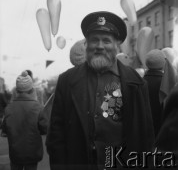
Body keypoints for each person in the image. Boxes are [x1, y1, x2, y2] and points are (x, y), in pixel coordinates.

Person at [46, 11, 155, 170]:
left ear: (117, 45)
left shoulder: (136, 83)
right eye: (94, 40)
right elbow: (56, 135)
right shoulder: (66, 81)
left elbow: (145, 136)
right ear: (87, 44)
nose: (99, 46)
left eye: (106, 40)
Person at [1, 71, 48, 170]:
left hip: (15, 153)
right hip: (32, 154)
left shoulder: (9, 108)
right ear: (32, 90)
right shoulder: (38, 107)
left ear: (16, 90)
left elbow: (4, 131)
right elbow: (44, 129)